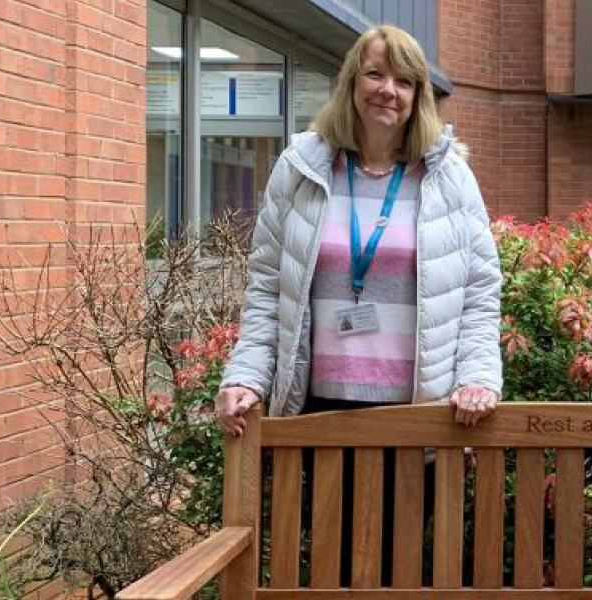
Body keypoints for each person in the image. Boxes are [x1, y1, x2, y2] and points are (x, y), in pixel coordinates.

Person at [215, 25, 504, 430]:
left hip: (417, 414)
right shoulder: (302, 168)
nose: (388, 89)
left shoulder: (448, 178)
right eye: (375, 74)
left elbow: (480, 292)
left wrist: (478, 377)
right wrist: (246, 375)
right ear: (351, 81)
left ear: (417, 97)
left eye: (404, 81)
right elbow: (267, 285)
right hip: (316, 410)